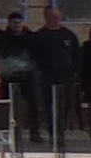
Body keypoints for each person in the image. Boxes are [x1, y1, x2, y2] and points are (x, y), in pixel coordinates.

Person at [28, 11, 80, 139]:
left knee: (65, 104)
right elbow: (33, 56)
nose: (55, 19)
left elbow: (76, 55)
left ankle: (61, 128)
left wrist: (75, 71)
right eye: (52, 17)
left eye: (57, 17)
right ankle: (52, 129)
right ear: (47, 18)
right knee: (49, 103)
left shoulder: (68, 35)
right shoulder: (40, 36)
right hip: (47, 76)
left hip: (65, 76)